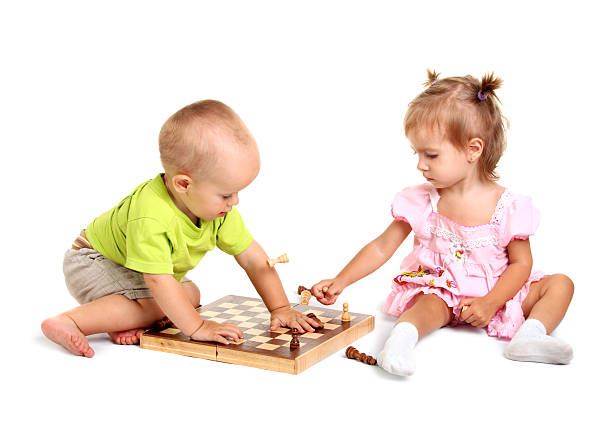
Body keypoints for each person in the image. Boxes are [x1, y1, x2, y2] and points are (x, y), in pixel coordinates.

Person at [311, 71, 574, 376]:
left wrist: (491, 302)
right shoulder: (422, 201)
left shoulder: (509, 207)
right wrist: (341, 280)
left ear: (472, 149)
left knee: (561, 284)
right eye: (418, 153)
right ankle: (399, 342)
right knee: (425, 305)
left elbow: (521, 264)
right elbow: (382, 246)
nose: (421, 164)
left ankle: (529, 337)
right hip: (443, 290)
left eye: (431, 155)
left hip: (499, 294)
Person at [42, 100, 319, 357]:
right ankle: (68, 321)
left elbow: (255, 260)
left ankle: (123, 319)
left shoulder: (219, 211)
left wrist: (281, 308)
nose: (235, 201)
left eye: (237, 192)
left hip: (137, 270)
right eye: (226, 194)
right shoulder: (151, 216)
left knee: (190, 295)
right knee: (164, 304)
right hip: (94, 262)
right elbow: (158, 280)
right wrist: (197, 328)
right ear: (184, 184)